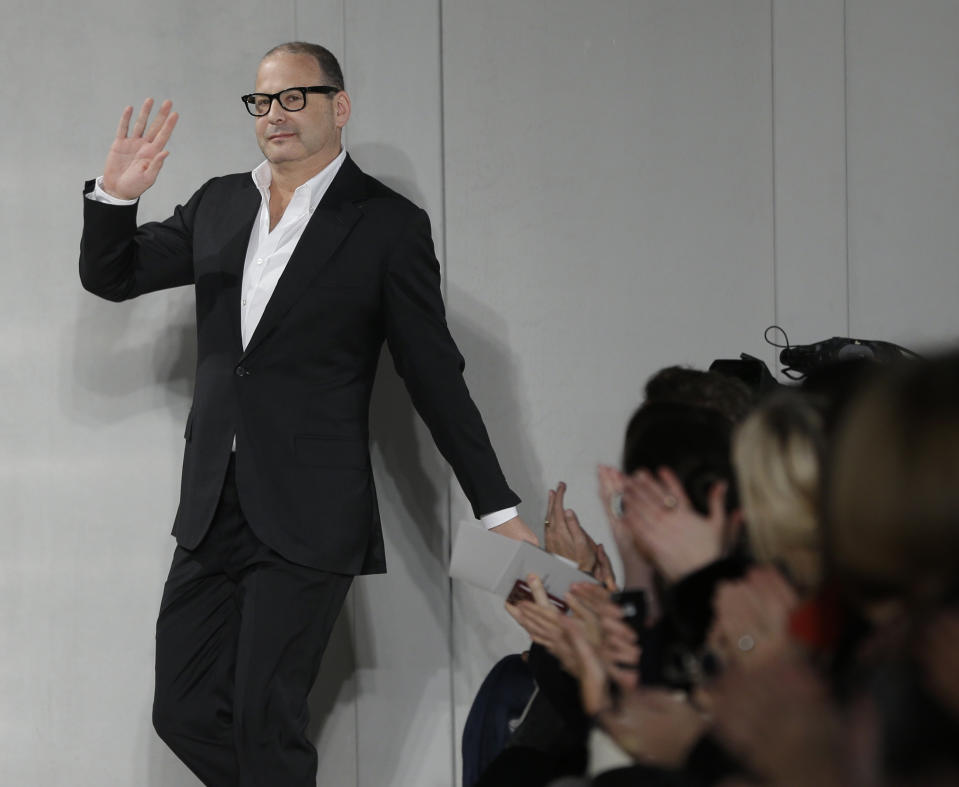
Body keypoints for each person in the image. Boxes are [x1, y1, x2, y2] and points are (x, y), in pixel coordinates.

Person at [79, 41, 535, 786]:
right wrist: (117, 199)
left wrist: (496, 509)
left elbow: (435, 378)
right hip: (210, 506)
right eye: (262, 101)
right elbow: (113, 276)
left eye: (294, 97)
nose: (275, 115)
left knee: (266, 717)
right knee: (185, 709)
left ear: (338, 107)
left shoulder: (386, 225)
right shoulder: (220, 202)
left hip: (311, 510)